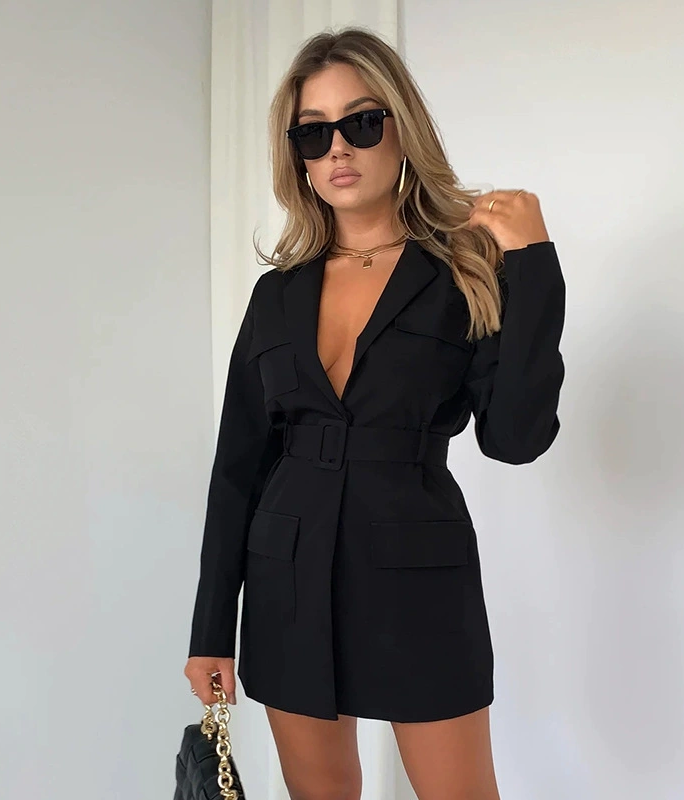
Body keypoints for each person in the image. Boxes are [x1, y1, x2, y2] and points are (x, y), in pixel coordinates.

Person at [183, 25, 565, 800]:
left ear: (401, 126)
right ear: (297, 154)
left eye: (360, 123)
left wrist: (534, 265)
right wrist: (210, 630)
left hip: (417, 579)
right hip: (287, 578)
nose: (337, 149)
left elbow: (515, 438)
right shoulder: (276, 295)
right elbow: (237, 470)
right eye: (312, 133)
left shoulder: (464, 271)